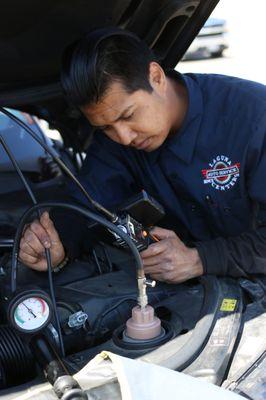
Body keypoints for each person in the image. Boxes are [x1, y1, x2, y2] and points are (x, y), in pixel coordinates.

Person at [19, 27, 266, 283]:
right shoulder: (115, 142)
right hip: (182, 299)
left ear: (156, 77)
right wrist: (57, 246)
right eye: (105, 127)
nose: (124, 137)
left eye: (128, 115)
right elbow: (86, 204)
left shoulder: (253, 117)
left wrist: (201, 259)